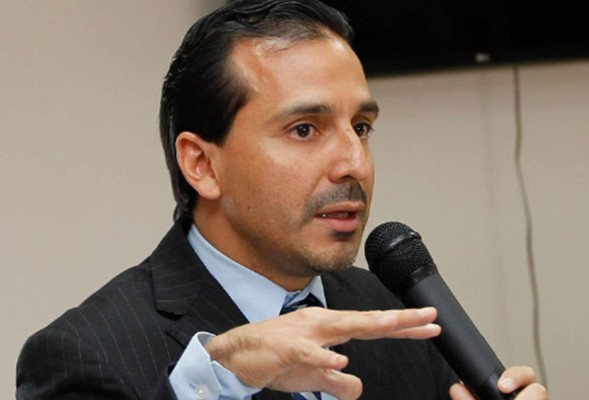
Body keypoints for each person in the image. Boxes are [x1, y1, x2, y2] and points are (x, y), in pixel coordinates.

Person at [16, 1, 548, 399]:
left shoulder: (390, 312)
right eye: (304, 129)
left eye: (361, 127)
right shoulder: (85, 354)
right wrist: (218, 378)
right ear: (202, 164)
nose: (356, 164)